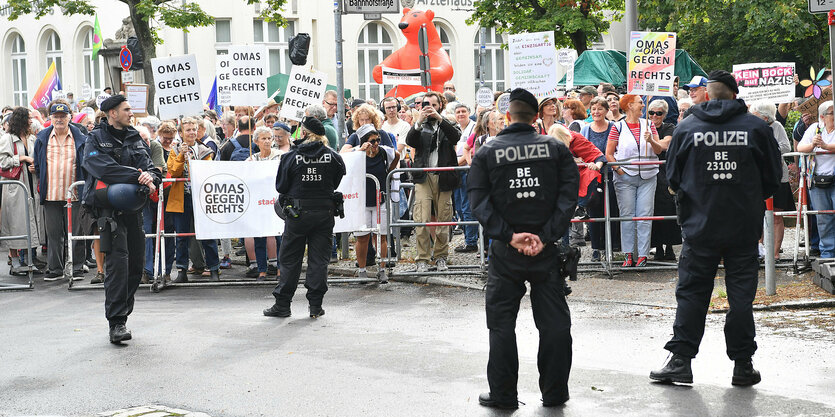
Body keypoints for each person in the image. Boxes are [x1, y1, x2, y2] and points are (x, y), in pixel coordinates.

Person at [650, 70, 781, 387]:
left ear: (707, 95)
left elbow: (674, 177)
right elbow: (773, 177)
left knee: (692, 294)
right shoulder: (756, 128)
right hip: (742, 227)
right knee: (740, 297)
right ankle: (743, 364)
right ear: (735, 95)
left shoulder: (687, 127)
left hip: (699, 226)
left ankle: (680, 360)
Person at [469, 88, 579, 409]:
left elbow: (479, 202)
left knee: (501, 324)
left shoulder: (488, 152)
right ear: (535, 117)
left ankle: (504, 395)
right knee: (555, 324)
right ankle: (555, 392)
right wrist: (546, 236)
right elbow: (568, 197)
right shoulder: (555, 150)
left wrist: (508, 235)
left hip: (506, 252)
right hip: (545, 250)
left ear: (507, 116)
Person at [81, 95, 161, 344]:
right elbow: (103, 168)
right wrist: (137, 176)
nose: (131, 113)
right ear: (112, 113)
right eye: (126, 109)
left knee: (136, 265)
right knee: (117, 265)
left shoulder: (135, 136)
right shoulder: (95, 138)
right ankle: (116, 322)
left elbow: (151, 168)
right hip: (108, 211)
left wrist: (149, 177)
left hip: (134, 208)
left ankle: (123, 313)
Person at [263, 116, 346, 318]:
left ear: (305, 133)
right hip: (324, 213)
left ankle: (283, 305)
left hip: (297, 214)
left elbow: (281, 187)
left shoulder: (291, 157)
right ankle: (315, 307)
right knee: (319, 260)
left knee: (290, 260)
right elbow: (335, 182)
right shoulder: (332, 156)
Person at [405, 91, 462, 272]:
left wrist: (439, 119)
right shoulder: (419, 125)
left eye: (434, 105)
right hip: (423, 177)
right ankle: (422, 258)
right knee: (421, 218)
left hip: (443, 176)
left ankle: (440, 257)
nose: (429, 108)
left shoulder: (448, 124)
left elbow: (456, 137)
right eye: (426, 104)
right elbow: (410, 141)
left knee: (443, 219)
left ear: (440, 106)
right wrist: (419, 121)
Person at [606, 94, 663, 267]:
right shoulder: (618, 127)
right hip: (625, 177)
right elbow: (609, 153)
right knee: (627, 216)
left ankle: (643, 255)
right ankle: (628, 254)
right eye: (640, 103)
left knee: (645, 216)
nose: (643, 106)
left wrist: (651, 140)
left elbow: (659, 150)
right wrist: (619, 170)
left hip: (648, 176)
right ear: (630, 105)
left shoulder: (650, 124)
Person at [33, 102, 88, 279]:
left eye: (63, 116)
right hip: (51, 194)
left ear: (69, 117)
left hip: (75, 194)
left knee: (77, 233)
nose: (59, 119)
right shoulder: (42, 137)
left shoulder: (80, 137)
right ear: (50, 118)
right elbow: (39, 165)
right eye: (56, 117)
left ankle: (77, 268)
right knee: (54, 234)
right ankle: (55, 269)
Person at [343, 124, 399, 282]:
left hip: (380, 200)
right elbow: (344, 162)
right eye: (372, 141)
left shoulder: (383, 152)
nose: (375, 144)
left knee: (381, 236)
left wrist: (389, 171)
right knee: (362, 238)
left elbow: (397, 155)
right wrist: (359, 151)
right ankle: (362, 270)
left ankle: (382, 270)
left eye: (377, 141)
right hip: (361, 202)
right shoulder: (357, 154)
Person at [166, 117, 220, 283]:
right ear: (181, 132)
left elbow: (207, 172)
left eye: (194, 129)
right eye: (188, 129)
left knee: (207, 234)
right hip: (181, 197)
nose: (191, 132)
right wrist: (182, 156)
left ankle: (214, 269)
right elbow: (173, 172)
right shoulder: (174, 150)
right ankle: (182, 270)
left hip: (201, 197)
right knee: (181, 236)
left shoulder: (205, 150)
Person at [1, 107, 46, 276]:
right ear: (20, 119)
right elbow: (2, 161)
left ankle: (31, 259)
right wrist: (22, 158)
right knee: (15, 223)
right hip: (16, 186)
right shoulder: (8, 139)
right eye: (28, 118)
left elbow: (37, 157)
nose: (31, 120)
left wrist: (35, 167)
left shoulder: (31, 138)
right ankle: (16, 262)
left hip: (30, 183)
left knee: (31, 220)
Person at [749, 102, 792, 261]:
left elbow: (786, 147)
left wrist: (768, 149)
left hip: (777, 177)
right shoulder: (751, 127)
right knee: (757, 215)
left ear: (764, 116)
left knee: (776, 216)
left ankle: (774, 252)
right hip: (756, 178)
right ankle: (759, 250)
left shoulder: (777, 126)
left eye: (754, 114)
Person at [581, 97, 621, 261]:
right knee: (594, 211)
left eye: (600, 109)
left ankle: (610, 247)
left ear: (606, 111)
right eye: (594, 109)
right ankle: (596, 248)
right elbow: (582, 150)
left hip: (610, 175)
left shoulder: (614, 127)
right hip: (592, 177)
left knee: (611, 209)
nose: (596, 112)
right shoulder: (585, 129)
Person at [244, 126, 283, 280]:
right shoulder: (251, 159)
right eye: (263, 139)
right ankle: (262, 270)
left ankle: (281, 269)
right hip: (259, 204)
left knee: (279, 236)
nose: (267, 141)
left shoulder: (280, 156)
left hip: (276, 202)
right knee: (259, 237)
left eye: (269, 138)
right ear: (256, 142)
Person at [798, 100, 835, 258]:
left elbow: (827, 147)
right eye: (832, 113)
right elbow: (800, 148)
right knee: (823, 218)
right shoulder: (814, 128)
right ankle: (828, 253)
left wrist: (826, 147)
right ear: (822, 116)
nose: (834, 116)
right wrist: (813, 145)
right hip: (817, 179)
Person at [645, 99, 680, 261]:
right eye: (651, 112)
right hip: (647, 172)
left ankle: (669, 246)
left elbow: (666, 144)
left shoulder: (669, 127)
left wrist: (651, 140)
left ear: (664, 114)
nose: (654, 116)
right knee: (652, 208)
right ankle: (657, 246)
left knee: (667, 207)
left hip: (665, 172)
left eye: (658, 113)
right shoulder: (644, 127)